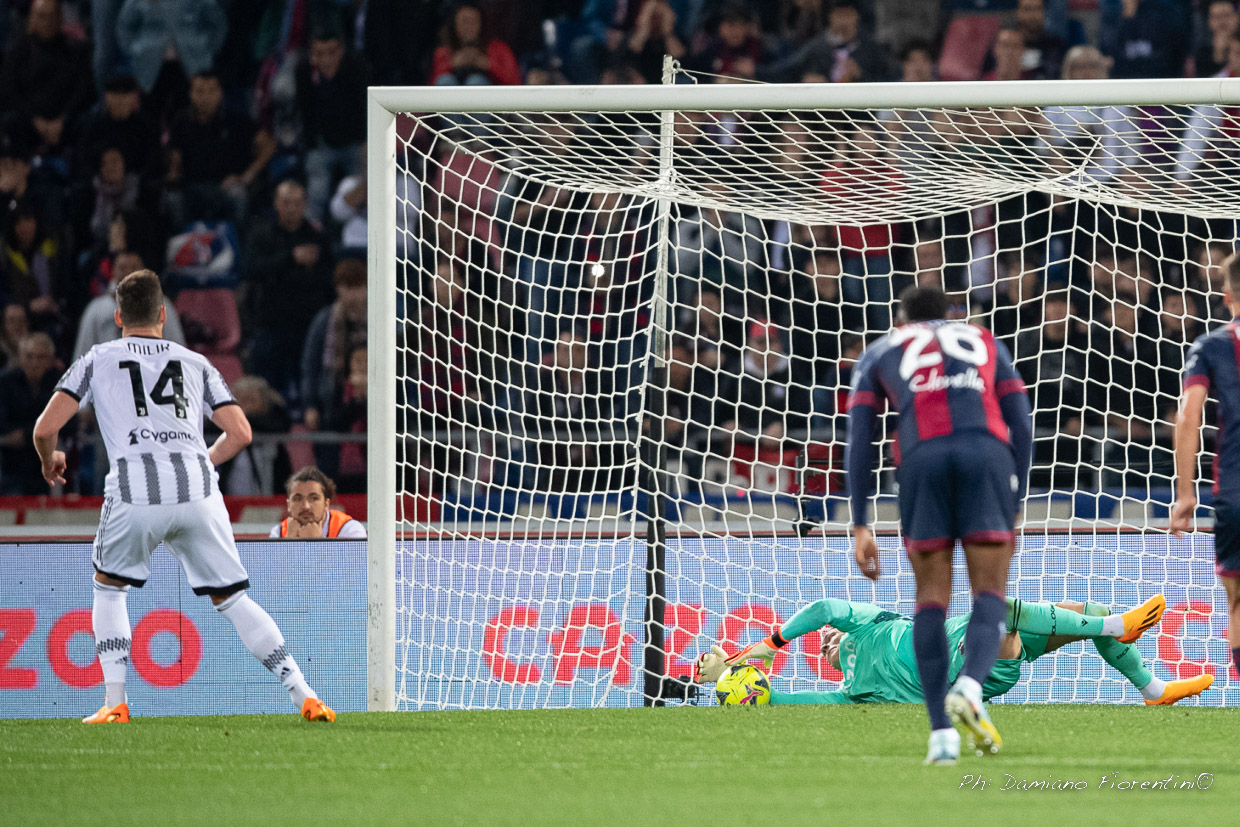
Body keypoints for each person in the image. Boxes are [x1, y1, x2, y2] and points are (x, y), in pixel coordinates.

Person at [31, 269, 335, 725]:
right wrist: (203, 463)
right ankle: (304, 693)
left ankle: (116, 702)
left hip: (135, 490)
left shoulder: (98, 358)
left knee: (109, 589)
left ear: (117, 317)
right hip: (197, 490)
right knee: (233, 600)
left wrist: (48, 458)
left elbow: (44, 428)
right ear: (162, 314)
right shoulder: (195, 361)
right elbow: (241, 432)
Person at [845, 285, 1033, 764]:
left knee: (931, 597)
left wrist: (860, 521)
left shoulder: (882, 349)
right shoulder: (983, 339)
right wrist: (1017, 496)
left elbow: (861, 438)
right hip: (986, 455)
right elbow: (1022, 420)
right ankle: (970, 686)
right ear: (949, 315)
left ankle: (940, 736)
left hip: (922, 461)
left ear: (900, 318)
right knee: (990, 591)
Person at [694, 594, 1200, 711]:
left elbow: (825, 607)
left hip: (956, 630)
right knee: (1000, 609)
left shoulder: (875, 622)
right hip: (962, 666)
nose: (826, 639)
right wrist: (731, 676)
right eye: (823, 645)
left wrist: (759, 648)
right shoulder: (851, 693)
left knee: (1078, 610)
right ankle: (1119, 625)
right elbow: (775, 703)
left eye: (829, 636)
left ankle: (1153, 689)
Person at [1171, 250, 1240, 684]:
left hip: (1235, 488)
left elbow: (1188, 415)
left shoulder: (1212, 345)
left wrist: (1185, 492)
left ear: (1227, 293)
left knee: (1238, 601)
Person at [0, 332, 62, 494]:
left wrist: (26, 435)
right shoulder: (5, 383)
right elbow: (3, 425)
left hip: (47, 461)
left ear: (50, 361)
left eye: (41, 357)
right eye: (29, 356)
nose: (34, 362)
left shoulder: (60, 385)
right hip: (11, 464)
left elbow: (68, 423)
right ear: (20, 358)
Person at [270, 466, 366, 539]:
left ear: (326, 504)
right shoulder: (278, 532)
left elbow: (353, 565)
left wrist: (317, 543)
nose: (306, 506)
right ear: (288, 505)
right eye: (298, 499)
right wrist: (289, 543)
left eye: (314, 498)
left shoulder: (349, 530)